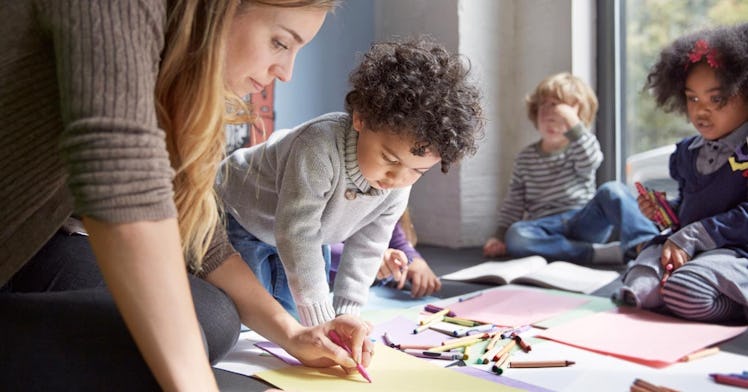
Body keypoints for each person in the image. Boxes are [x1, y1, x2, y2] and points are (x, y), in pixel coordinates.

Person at [0, 1, 375, 391]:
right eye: (280, 43)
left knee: (211, 319)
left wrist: (294, 333)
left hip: (31, 247)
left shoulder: (172, 72)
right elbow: (119, 187)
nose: (286, 72)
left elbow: (203, 240)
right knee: (162, 346)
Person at [217, 36, 484, 326]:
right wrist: (322, 322)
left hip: (309, 233)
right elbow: (296, 234)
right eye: (390, 159)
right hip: (242, 214)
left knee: (297, 318)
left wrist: (346, 314)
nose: (399, 178)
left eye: (418, 172)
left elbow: (369, 246)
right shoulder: (317, 147)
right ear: (361, 118)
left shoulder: (399, 183)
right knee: (255, 319)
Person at [615, 23, 748, 323]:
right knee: (638, 283)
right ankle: (676, 292)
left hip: (736, 253)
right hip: (691, 250)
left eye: (717, 99)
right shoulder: (688, 153)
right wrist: (664, 213)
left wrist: (691, 237)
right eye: (693, 98)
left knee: (685, 290)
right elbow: (688, 213)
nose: (701, 111)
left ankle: (731, 304)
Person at [482, 72, 659, 265]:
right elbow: (514, 201)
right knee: (516, 235)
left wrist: (572, 122)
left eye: (559, 112)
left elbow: (592, 160)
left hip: (583, 220)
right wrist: (499, 236)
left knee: (613, 190)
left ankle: (649, 244)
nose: (551, 117)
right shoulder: (526, 157)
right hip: (545, 227)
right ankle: (595, 254)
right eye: (545, 107)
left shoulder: (579, 148)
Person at [329, 216, 443, 299]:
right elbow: (315, 246)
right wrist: (368, 258)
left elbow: (395, 237)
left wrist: (413, 259)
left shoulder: (389, 194)